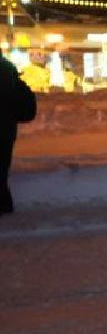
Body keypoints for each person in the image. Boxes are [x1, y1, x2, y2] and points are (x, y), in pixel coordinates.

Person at [2, 55, 38, 215]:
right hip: (6, 131)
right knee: (2, 169)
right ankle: (4, 205)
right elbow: (26, 105)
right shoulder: (10, 74)